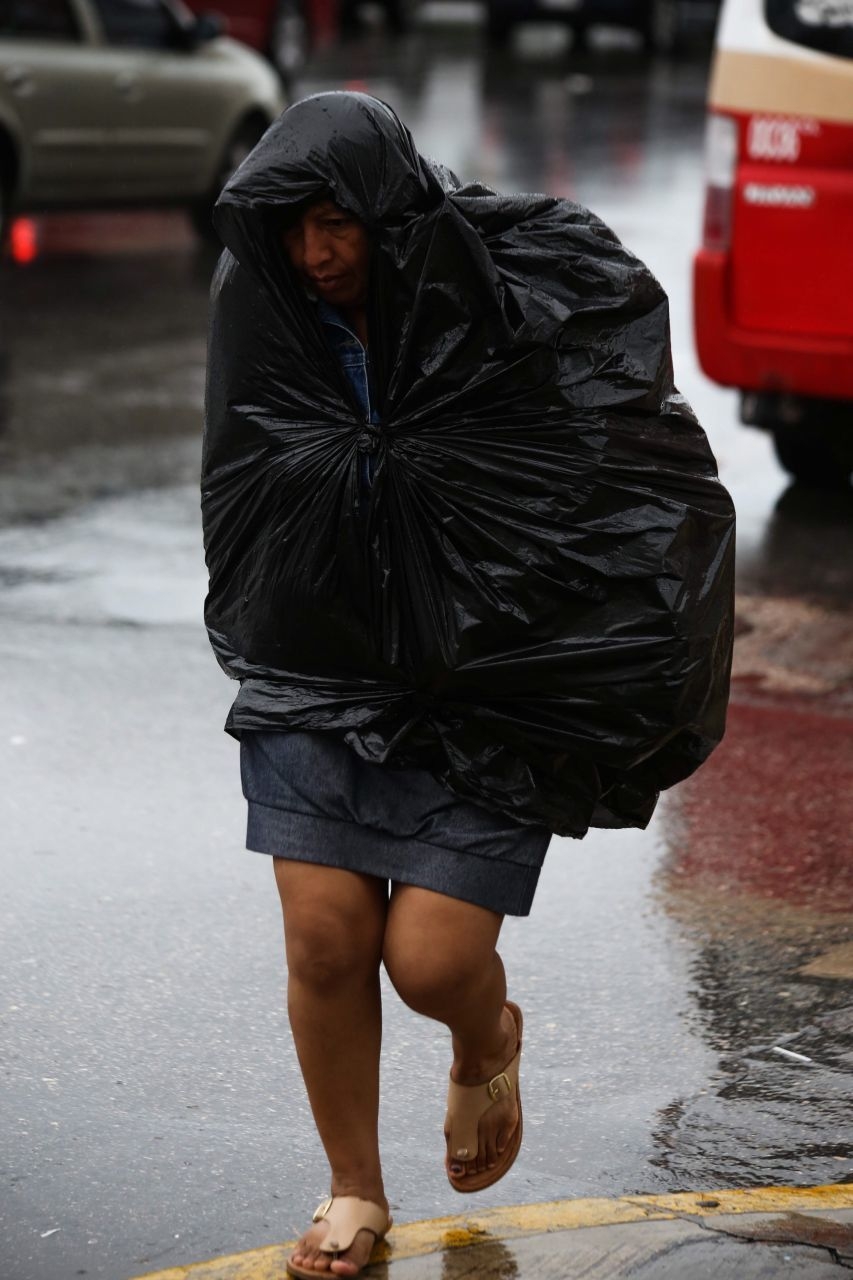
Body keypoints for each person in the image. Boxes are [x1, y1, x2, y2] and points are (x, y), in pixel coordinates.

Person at [203, 92, 735, 1280]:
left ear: (395, 213)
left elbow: (607, 465)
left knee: (433, 959)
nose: (316, 253)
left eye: (338, 222)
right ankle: (353, 1187)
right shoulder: (264, 302)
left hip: (486, 673)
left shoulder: (523, 283)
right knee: (327, 939)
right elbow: (241, 479)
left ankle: (486, 1032)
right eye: (294, 225)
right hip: (321, 661)